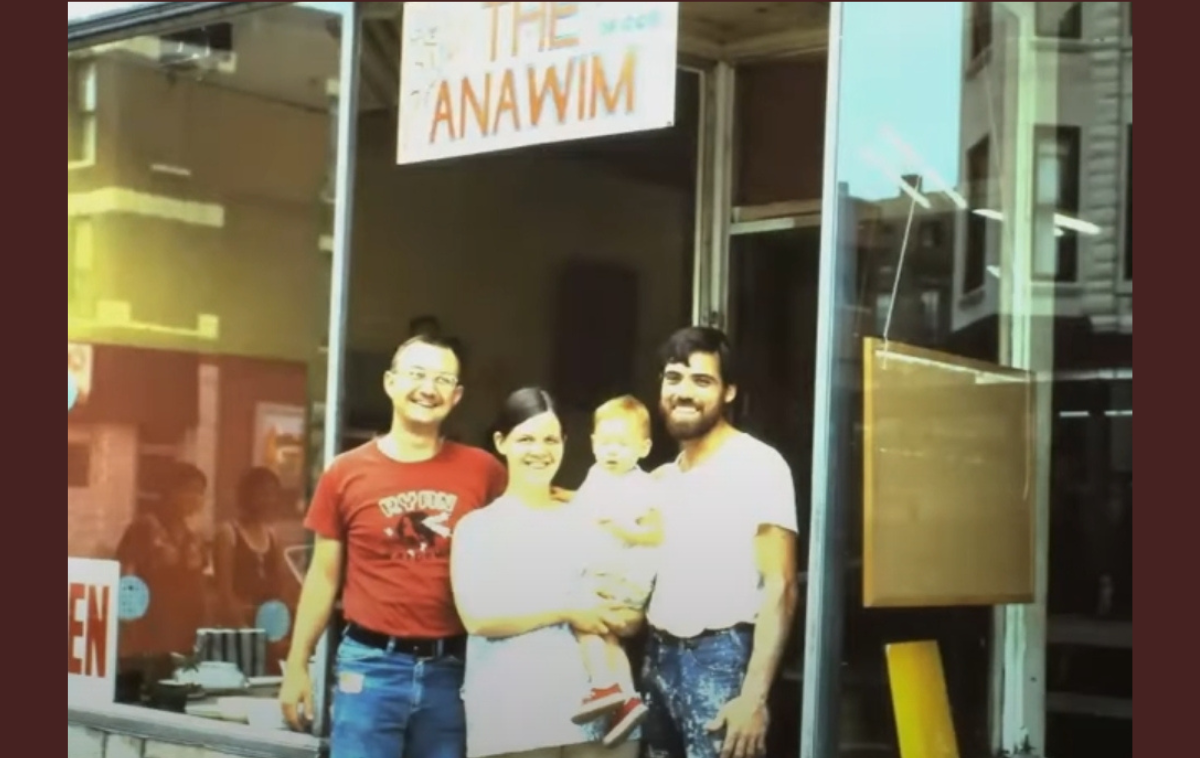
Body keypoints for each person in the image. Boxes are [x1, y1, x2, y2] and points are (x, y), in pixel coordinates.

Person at [279, 335, 507, 758]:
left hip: (453, 672)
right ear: (390, 382)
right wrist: (297, 665)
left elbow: (529, 519)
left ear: (456, 395)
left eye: (442, 379)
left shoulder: (484, 471)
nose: (428, 388)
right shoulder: (344, 473)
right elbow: (323, 577)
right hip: (369, 669)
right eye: (417, 374)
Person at [451, 388, 644, 758]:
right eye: (526, 439)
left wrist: (626, 616)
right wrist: (567, 611)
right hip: (511, 711)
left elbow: (628, 608)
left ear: (565, 443)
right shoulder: (478, 527)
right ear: (501, 442)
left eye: (550, 439)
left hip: (597, 716)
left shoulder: (590, 519)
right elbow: (477, 617)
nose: (539, 450)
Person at [641, 327, 800, 758]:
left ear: (729, 391)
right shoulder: (661, 479)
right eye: (673, 378)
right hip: (658, 656)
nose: (684, 392)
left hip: (722, 660)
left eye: (702, 380)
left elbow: (782, 586)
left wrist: (754, 697)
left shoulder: (758, 464)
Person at [568, 395, 662, 745]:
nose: (612, 451)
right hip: (608, 575)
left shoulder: (644, 485)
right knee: (610, 638)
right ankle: (627, 699)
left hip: (622, 576)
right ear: (593, 442)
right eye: (605, 442)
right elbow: (581, 509)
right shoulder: (596, 476)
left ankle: (603, 686)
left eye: (622, 444)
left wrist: (625, 529)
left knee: (582, 620)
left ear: (644, 448)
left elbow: (657, 532)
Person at [116, 462, 210, 659]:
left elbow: (199, 582)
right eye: (189, 490)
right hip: (150, 630)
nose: (195, 497)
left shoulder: (194, 537)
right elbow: (126, 574)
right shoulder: (145, 527)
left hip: (186, 630)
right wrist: (129, 624)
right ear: (170, 491)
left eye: (200, 492)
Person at [212, 468, 296, 653]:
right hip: (237, 627)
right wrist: (248, 633)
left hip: (268, 626)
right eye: (262, 494)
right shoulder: (228, 533)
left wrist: (278, 631)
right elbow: (225, 593)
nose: (268, 501)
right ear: (246, 496)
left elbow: (280, 588)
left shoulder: (273, 536)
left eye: (272, 494)